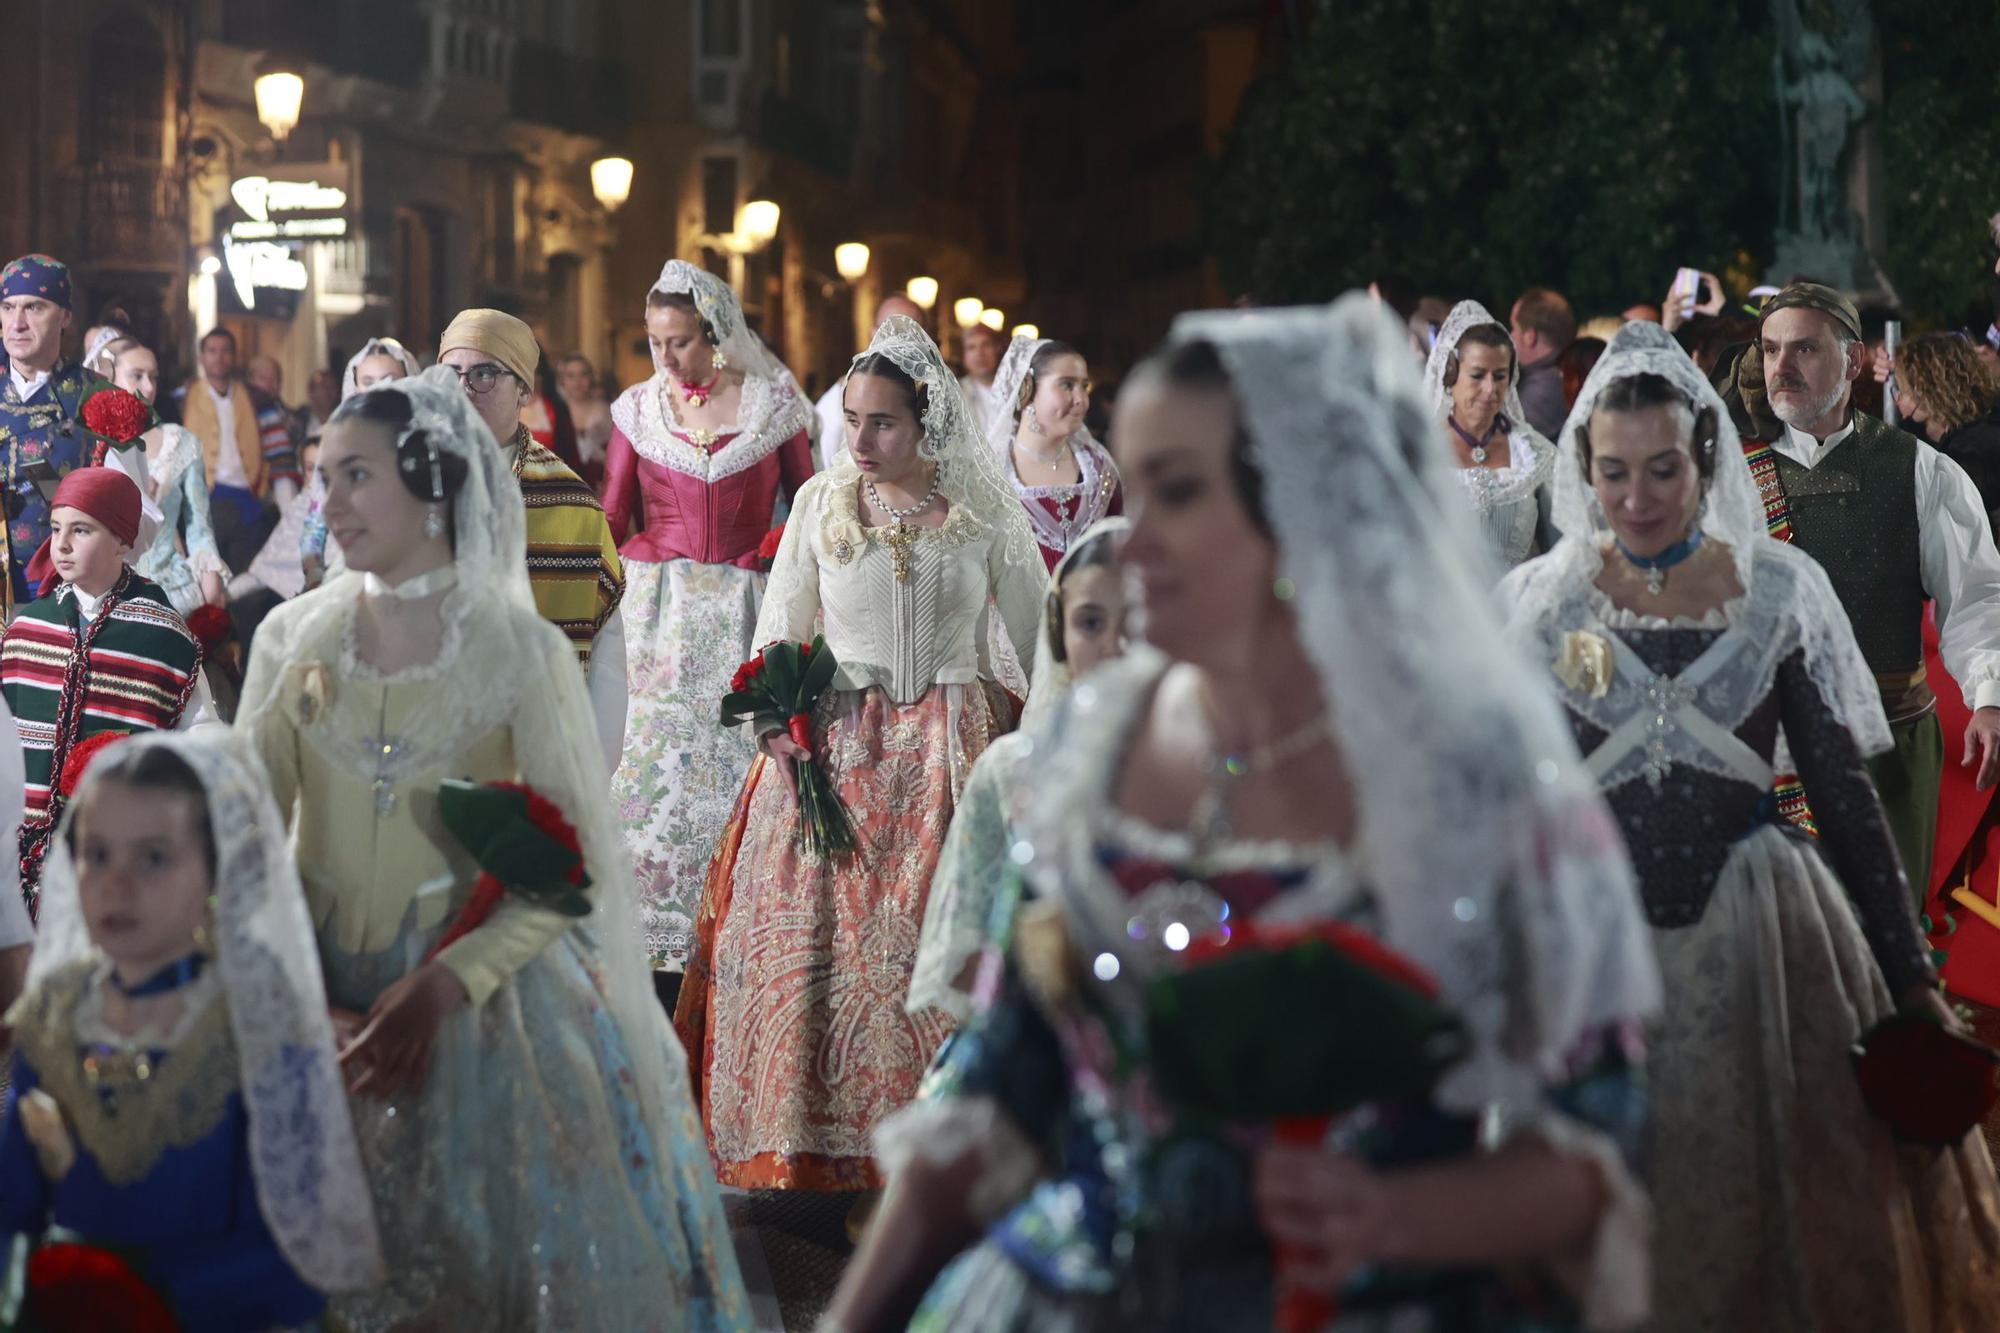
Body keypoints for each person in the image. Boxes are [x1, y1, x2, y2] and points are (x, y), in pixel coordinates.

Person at [826, 298, 1659, 1332]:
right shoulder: (1099, 741)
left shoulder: (1460, 780)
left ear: (1295, 512)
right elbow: (1000, 1088)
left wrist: (1390, 1214)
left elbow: (1592, 1132)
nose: (1131, 545)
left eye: (1176, 492)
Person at [1501, 320, 2000, 1332]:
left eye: (1661, 471)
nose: (1636, 499)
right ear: (1581, 468)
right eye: (1611, 472)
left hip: (1761, 936)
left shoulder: (1776, 594)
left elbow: (1845, 796)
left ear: (1703, 459)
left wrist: (1906, 974)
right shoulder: (1540, 608)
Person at [236, 365, 750, 1329]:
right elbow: (245, 838)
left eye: (357, 477)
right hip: (316, 1010)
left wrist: (447, 982)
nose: (329, 502)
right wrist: (305, 991)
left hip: (481, 1009)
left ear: (433, 487)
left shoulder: (521, 650)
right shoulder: (289, 640)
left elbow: (565, 863)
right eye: (325, 475)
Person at [674, 315, 1045, 1192]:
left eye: (883, 421)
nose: (861, 439)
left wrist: (1045, 747)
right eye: (851, 418)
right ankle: (823, 1156)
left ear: (927, 425)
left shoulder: (985, 514)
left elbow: (1044, 640)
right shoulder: (821, 502)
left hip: (948, 762)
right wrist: (774, 723)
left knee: (931, 955)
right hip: (834, 751)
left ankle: (930, 1166)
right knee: (823, 953)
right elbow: (781, 628)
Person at [0, 733, 381, 1329]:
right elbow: (11, 1202)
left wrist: (142, 1301)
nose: (116, 884)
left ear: (215, 870)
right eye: (96, 854)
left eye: (153, 858)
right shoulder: (53, 1012)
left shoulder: (251, 1022)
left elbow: (298, 1243)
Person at [1717, 281, 2000, 901]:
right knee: (1792, 943)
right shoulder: (1729, 484)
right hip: (1774, 747)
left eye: (1803, 349)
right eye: (1769, 350)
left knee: (1889, 940)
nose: (1781, 368)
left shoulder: (1921, 469)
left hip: (1891, 747)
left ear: (1851, 360)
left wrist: (1988, 696)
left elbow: (1976, 596)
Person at [604, 261, 815, 973]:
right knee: (646, 770)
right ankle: (649, 943)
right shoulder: (637, 409)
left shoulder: (773, 404)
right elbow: (610, 515)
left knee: (740, 769)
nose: (666, 357)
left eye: (682, 341)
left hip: (744, 610)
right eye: (655, 342)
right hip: (656, 618)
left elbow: (810, 509)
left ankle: (745, 929)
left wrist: (787, 566)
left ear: (716, 334)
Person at [907, 516, 1129, 1022]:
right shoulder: (1010, 772)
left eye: (1138, 621)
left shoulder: (1212, 776)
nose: (1116, 647)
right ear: (1059, 634)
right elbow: (960, 959)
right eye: (1090, 623)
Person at [1, 468, 204, 915]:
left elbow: (201, 742)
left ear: (121, 541)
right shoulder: (27, 631)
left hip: (122, 862)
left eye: (81, 530)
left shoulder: (164, 639)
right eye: (56, 529)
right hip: (23, 865)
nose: (62, 545)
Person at [438, 308, 627, 769]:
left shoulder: (572, 507)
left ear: (524, 389)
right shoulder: (401, 482)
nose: (463, 388)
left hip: (532, 747)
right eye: (451, 373)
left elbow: (605, 654)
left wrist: (588, 777)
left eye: (484, 374)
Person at [0, 255, 113, 609]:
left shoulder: (94, 396)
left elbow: (118, 501)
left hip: (58, 588)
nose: (17, 323)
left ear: (64, 316)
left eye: (34, 307)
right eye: (7, 307)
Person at [1423, 300, 1559, 572]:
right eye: (1477, 375)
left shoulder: (1533, 453)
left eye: (1500, 376)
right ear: (1451, 376)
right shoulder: (1422, 449)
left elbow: (1560, 544)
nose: (1490, 389)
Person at [103, 338, 228, 614]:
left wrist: (209, 576)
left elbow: (199, 523)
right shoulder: (95, 445)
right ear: (109, 378)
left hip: (171, 586)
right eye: (136, 376)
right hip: (108, 586)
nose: (148, 387)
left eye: (153, 377)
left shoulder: (181, 442)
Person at [169, 328, 299, 575]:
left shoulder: (257, 399)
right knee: (204, 582)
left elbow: (280, 455)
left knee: (247, 586)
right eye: (212, 351)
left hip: (249, 504)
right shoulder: (180, 400)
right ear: (201, 358)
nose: (219, 357)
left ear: (235, 357)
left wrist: (290, 517)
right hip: (201, 506)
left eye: (226, 351)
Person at [988, 334, 1122, 572]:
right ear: (1027, 390)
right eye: (1067, 385)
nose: (1082, 400)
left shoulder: (1100, 470)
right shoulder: (990, 475)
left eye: (1084, 386)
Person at [816, 292, 927, 471]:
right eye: (894, 329)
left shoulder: (937, 395)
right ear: (873, 333)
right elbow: (824, 460)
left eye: (914, 330)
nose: (904, 339)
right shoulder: (841, 395)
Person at [1509, 284, 1577, 439]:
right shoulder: (1572, 371)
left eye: (1514, 328)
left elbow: (1512, 447)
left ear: (1530, 337)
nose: (1511, 336)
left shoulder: (1541, 392)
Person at [558, 350, 614, 483]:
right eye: (570, 376)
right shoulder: (556, 413)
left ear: (591, 378)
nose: (577, 381)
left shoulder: (607, 413)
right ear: (562, 381)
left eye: (583, 374)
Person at [959, 322, 1007, 441]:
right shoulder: (955, 392)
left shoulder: (1015, 388)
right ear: (964, 357)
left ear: (998, 349)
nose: (979, 354)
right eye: (971, 347)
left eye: (986, 345)